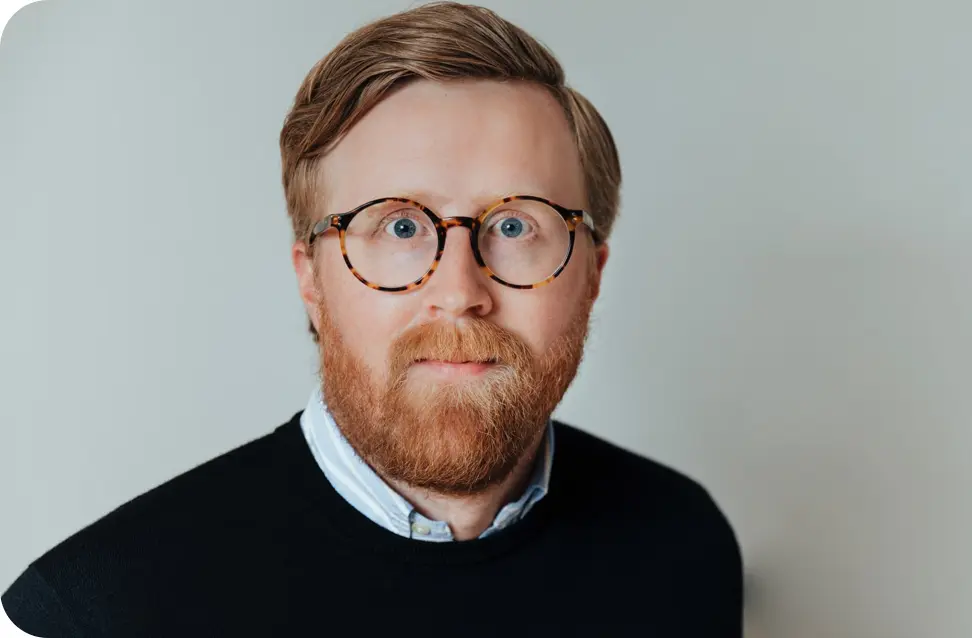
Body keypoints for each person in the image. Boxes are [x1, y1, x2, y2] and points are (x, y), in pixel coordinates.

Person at [2, 3, 743, 636]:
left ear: (593, 274)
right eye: (399, 226)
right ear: (311, 278)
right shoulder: (92, 612)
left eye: (516, 225)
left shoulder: (685, 545)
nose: (459, 291)